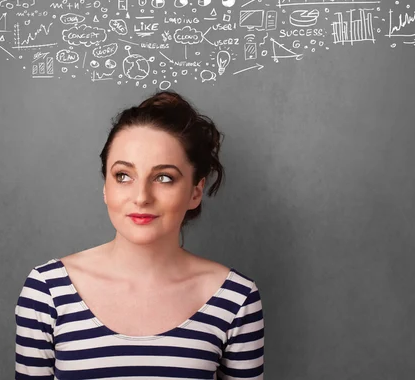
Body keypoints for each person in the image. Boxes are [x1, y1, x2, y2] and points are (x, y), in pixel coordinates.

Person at [14, 90, 264, 379]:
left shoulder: (236, 299)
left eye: (164, 177)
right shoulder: (47, 291)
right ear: (106, 187)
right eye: (123, 176)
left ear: (196, 192)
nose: (141, 196)